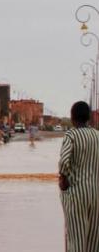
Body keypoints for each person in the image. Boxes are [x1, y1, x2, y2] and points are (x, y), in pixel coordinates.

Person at [59, 101, 99, 252]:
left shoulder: (71, 135)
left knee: (76, 238)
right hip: (96, 194)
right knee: (94, 239)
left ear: (72, 117)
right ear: (88, 117)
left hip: (76, 194)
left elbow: (64, 161)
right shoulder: (97, 136)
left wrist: (63, 179)